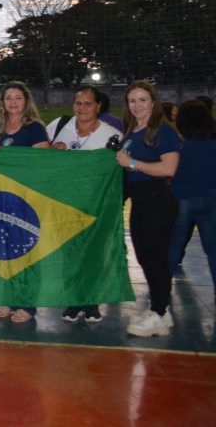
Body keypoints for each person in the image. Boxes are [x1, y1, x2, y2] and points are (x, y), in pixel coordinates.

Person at [47, 87, 124, 324]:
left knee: (93, 254)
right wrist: (52, 150)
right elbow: (39, 152)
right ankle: (74, 299)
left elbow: (118, 173)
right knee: (69, 253)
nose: (82, 108)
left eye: (88, 103)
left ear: (98, 106)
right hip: (64, 203)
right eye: (78, 103)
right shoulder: (59, 127)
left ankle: (91, 301)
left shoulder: (113, 136)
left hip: (96, 206)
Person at [117, 81, 181, 337]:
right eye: (133, 101)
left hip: (157, 201)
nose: (137, 105)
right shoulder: (133, 132)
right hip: (140, 202)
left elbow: (169, 168)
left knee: (155, 259)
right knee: (145, 258)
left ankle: (159, 312)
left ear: (153, 102)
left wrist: (132, 163)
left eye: (143, 100)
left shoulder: (162, 131)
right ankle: (161, 311)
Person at [0, 81, 48, 323]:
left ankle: (27, 304)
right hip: (3, 199)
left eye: (18, 97)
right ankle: (8, 296)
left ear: (26, 101)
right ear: (2, 103)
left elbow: (41, 163)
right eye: (8, 98)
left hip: (27, 201)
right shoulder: (0, 130)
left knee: (27, 253)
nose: (13, 102)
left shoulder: (34, 129)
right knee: (5, 252)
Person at [167, 100, 215, 302]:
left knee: (172, 246)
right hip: (212, 200)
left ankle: (161, 292)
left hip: (181, 200)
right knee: (213, 250)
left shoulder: (177, 145)